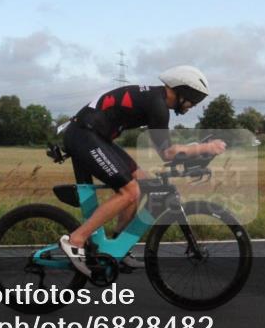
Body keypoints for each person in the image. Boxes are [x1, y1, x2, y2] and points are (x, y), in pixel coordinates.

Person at [58, 65, 226, 275]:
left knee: (144, 183)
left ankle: (118, 248)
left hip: (97, 136)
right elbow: (167, 153)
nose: (193, 105)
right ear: (185, 91)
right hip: (84, 135)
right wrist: (205, 148)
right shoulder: (158, 105)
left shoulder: (155, 98)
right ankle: (76, 240)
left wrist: (196, 152)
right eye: (195, 99)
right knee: (130, 191)